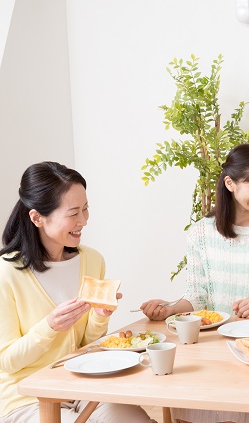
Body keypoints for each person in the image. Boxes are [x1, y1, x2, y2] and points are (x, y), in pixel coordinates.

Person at [140, 144, 249, 423]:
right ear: (230, 183)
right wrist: (168, 308)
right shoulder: (201, 232)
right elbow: (197, 296)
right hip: (215, 345)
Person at [0, 162, 153, 423]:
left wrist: (100, 316)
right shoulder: (7, 273)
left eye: (85, 209)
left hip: (83, 384)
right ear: (37, 218)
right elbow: (8, 362)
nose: (83, 221)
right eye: (73, 213)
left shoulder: (92, 260)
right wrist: (50, 326)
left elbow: (84, 344)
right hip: (27, 395)